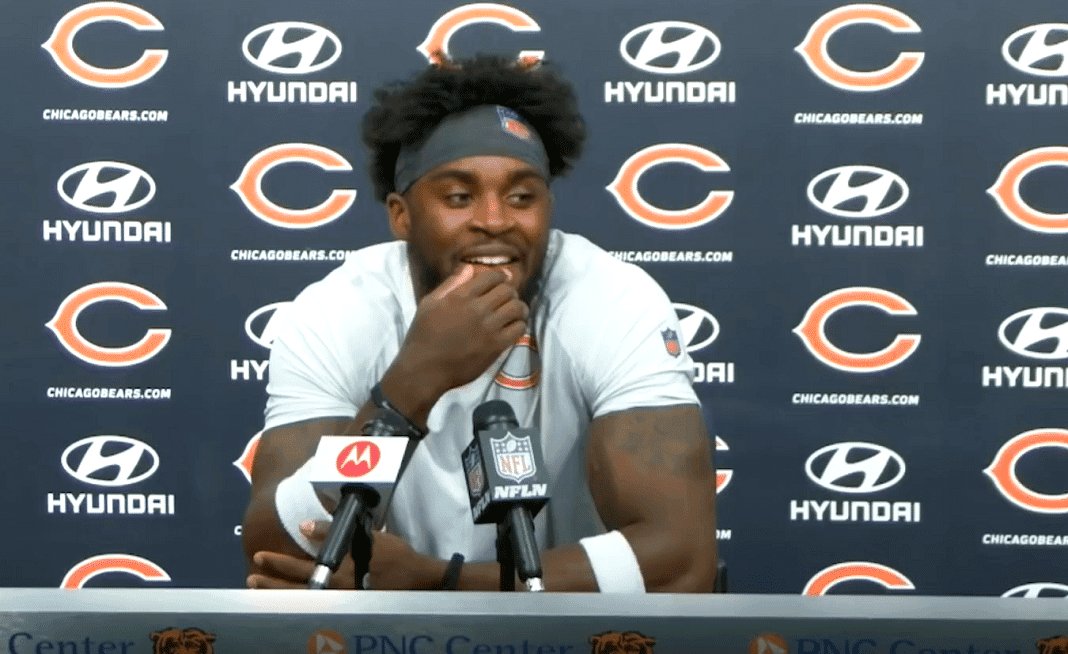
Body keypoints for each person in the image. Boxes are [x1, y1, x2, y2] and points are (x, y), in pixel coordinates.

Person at [241, 54, 718, 593]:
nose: (495, 221)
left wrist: (438, 584)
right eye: (459, 197)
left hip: (571, 631)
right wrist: (412, 383)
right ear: (401, 214)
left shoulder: (612, 299)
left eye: (522, 197)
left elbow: (682, 560)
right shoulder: (337, 312)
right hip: (385, 634)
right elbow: (275, 547)